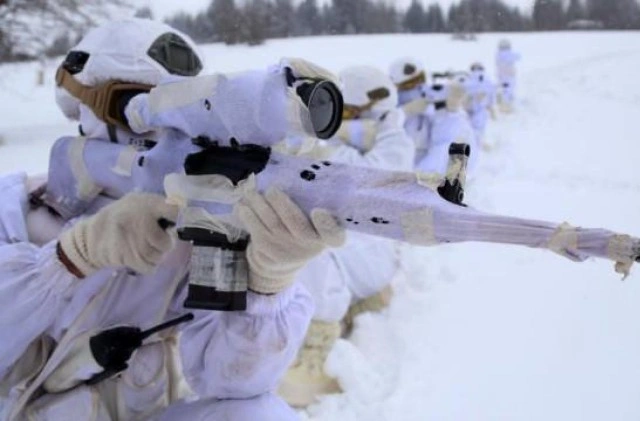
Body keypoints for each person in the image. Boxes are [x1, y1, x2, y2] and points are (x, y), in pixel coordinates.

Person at [0, 19, 343, 421]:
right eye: (136, 108)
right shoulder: (17, 205)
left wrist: (268, 285)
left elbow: (231, 383)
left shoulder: (199, 227)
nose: (157, 129)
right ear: (84, 100)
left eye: (177, 111)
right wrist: (70, 257)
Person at [277, 65, 414, 408]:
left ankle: (316, 351)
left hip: (369, 254)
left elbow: (379, 175)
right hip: (358, 248)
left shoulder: (393, 145)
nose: (341, 120)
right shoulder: (339, 144)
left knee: (310, 243)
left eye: (351, 113)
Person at [389, 58, 476, 176]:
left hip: (426, 171)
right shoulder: (389, 108)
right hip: (397, 170)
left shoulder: (432, 103)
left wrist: (451, 111)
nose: (418, 86)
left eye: (421, 80)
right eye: (410, 84)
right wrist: (404, 112)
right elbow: (381, 132)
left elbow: (445, 141)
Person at [463, 62, 497, 148]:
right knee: (478, 129)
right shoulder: (489, 81)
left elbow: (462, 97)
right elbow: (492, 98)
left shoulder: (467, 81)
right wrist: (492, 109)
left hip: (468, 110)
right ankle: (475, 145)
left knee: (468, 129)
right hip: (481, 110)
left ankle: (471, 145)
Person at [495, 38, 521, 113]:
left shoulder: (498, 54)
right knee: (507, 91)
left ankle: (506, 103)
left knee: (506, 90)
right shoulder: (505, 54)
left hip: (503, 76)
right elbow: (518, 56)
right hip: (507, 77)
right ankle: (506, 106)